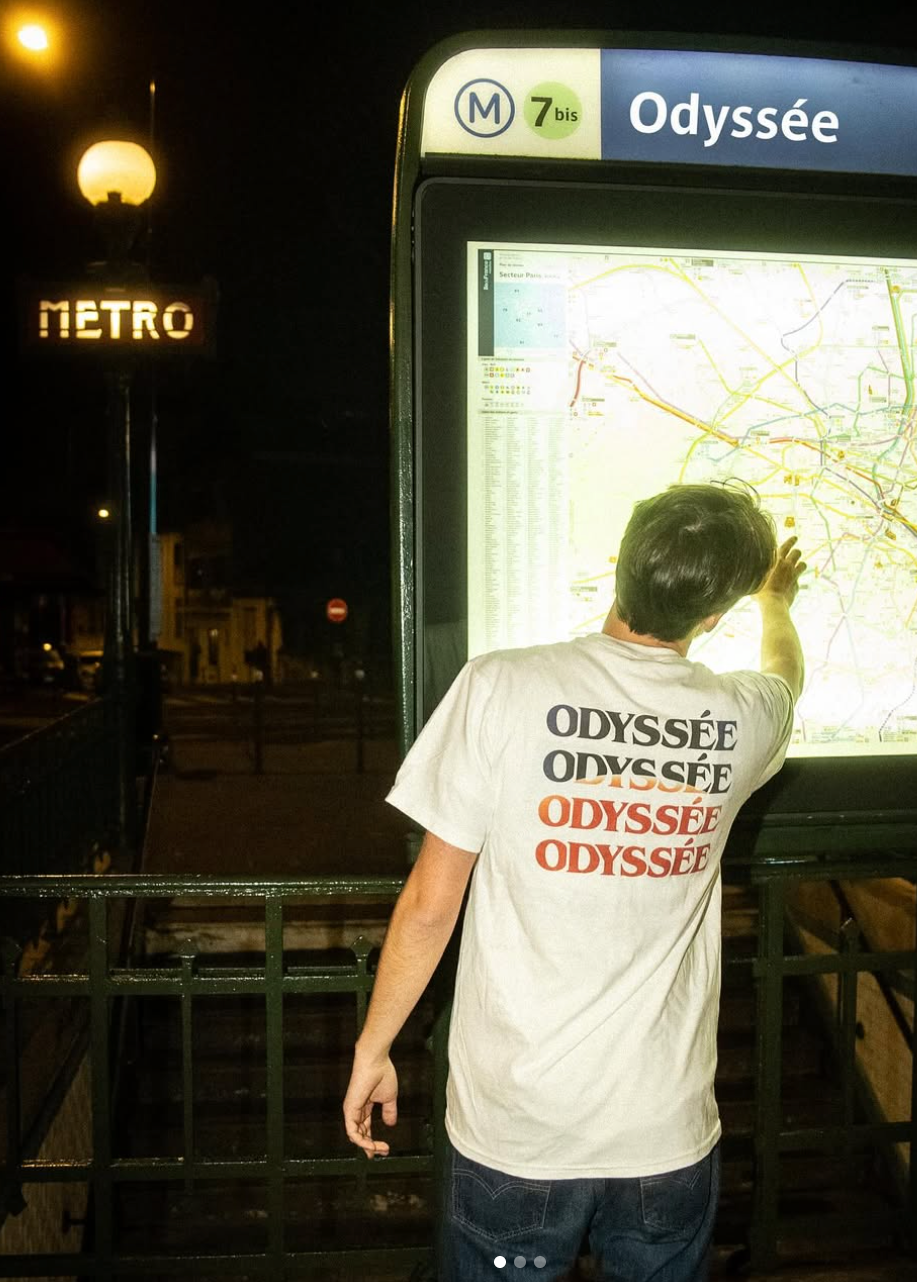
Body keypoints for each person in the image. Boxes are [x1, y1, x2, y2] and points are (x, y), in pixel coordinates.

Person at [343, 483, 806, 1282]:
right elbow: (786, 677)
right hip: (665, 1135)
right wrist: (776, 604)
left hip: (516, 1133)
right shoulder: (744, 715)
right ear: (712, 617)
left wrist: (373, 1047)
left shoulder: (501, 685)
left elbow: (428, 905)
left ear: (618, 568)